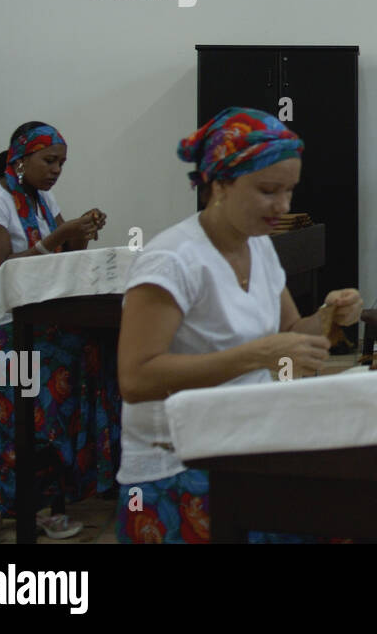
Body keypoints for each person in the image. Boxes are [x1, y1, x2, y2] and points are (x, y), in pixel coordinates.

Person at [115, 107, 363, 543]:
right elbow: (136, 378)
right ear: (220, 182)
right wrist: (258, 355)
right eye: (269, 190)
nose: (283, 206)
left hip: (243, 440)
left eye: (289, 191)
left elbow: (292, 331)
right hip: (177, 464)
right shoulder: (173, 260)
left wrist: (330, 315)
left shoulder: (260, 247)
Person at [0, 121, 114, 541]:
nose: (56, 170)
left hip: (36, 323)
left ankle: (52, 488)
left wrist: (81, 232)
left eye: (61, 163)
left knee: (97, 356)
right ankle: (22, 501)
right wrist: (58, 237)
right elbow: (5, 270)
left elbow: (63, 258)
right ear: (21, 157)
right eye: (49, 160)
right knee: (33, 409)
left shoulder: (42, 200)